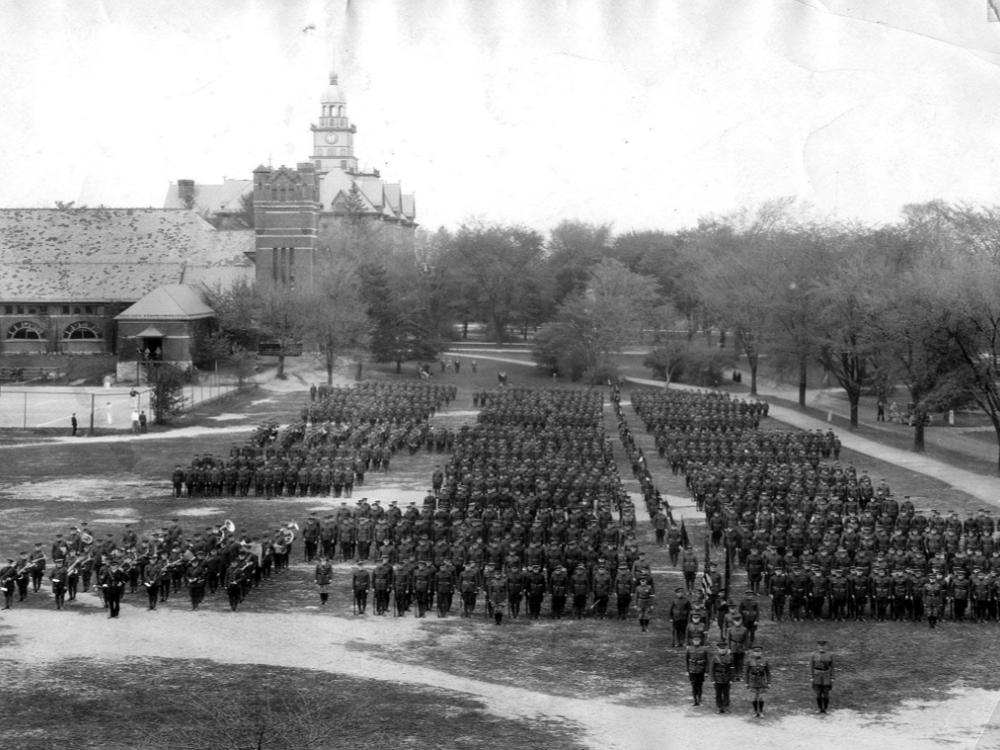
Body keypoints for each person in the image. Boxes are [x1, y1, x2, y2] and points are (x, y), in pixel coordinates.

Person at [745, 645, 771, 717]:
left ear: (761, 652)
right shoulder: (749, 661)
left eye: (759, 652)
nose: (757, 653)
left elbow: (768, 672)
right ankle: (756, 712)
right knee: (754, 697)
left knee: (761, 697)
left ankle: (761, 712)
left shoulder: (765, 660)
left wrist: (769, 682)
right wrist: (746, 682)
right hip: (753, 682)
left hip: (762, 681)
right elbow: (746, 672)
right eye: (755, 652)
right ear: (753, 652)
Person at [710, 641, 735, 714]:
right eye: (721, 649)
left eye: (724, 649)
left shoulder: (730, 657)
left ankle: (726, 707)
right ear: (718, 649)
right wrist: (713, 679)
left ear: (726, 649)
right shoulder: (715, 657)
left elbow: (732, 668)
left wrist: (731, 679)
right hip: (717, 679)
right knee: (718, 694)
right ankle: (719, 707)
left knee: (726, 693)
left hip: (727, 678)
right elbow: (712, 669)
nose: (722, 650)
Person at [686, 631, 710, 706]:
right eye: (695, 640)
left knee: (699, 686)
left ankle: (699, 699)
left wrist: (706, 672)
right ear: (692, 641)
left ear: (700, 641)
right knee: (693, 686)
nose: (696, 642)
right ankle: (695, 701)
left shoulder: (704, 649)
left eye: (698, 640)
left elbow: (707, 661)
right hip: (692, 670)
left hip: (701, 670)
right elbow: (686, 661)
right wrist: (687, 671)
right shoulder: (689, 649)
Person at [810, 639, 834, 714]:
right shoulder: (813, 655)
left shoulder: (830, 655)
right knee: (818, 693)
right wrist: (811, 676)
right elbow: (811, 666)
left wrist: (832, 677)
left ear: (826, 646)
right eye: (820, 646)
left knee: (826, 693)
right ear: (817, 646)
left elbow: (832, 667)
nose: (821, 647)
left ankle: (825, 709)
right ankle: (820, 709)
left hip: (826, 675)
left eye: (823, 646)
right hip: (817, 676)